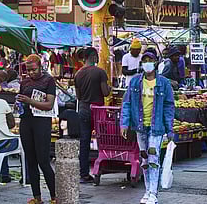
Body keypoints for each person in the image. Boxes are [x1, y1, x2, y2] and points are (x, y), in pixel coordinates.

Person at [121, 50, 174, 204]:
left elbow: (169, 107)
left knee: (153, 158)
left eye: (150, 60)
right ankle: (147, 191)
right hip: (140, 127)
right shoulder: (135, 82)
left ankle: (153, 193)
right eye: (144, 60)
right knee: (144, 159)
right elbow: (127, 103)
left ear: (156, 62)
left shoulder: (164, 83)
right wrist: (124, 124)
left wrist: (169, 129)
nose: (147, 63)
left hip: (156, 128)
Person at [16, 54, 56, 204]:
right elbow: (21, 99)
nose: (31, 73)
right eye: (28, 70)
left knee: (43, 161)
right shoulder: (25, 82)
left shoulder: (48, 80)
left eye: (33, 70)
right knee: (30, 160)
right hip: (26, 121)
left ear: (40, 66)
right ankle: (37, 197)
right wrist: (19, 103)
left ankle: (54, 196)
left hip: (42, 122)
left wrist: (30, 101)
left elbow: (49, 105)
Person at [74, 47, 110, 183]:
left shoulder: (78, 74)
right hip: (97, 110)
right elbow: (105, 92)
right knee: (103, 139)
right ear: (94, 57)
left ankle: (84, 174)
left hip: (83, 109)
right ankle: (102, 168)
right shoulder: (100, 72)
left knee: (84, 141)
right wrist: (109, 89)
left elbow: (78, 96)